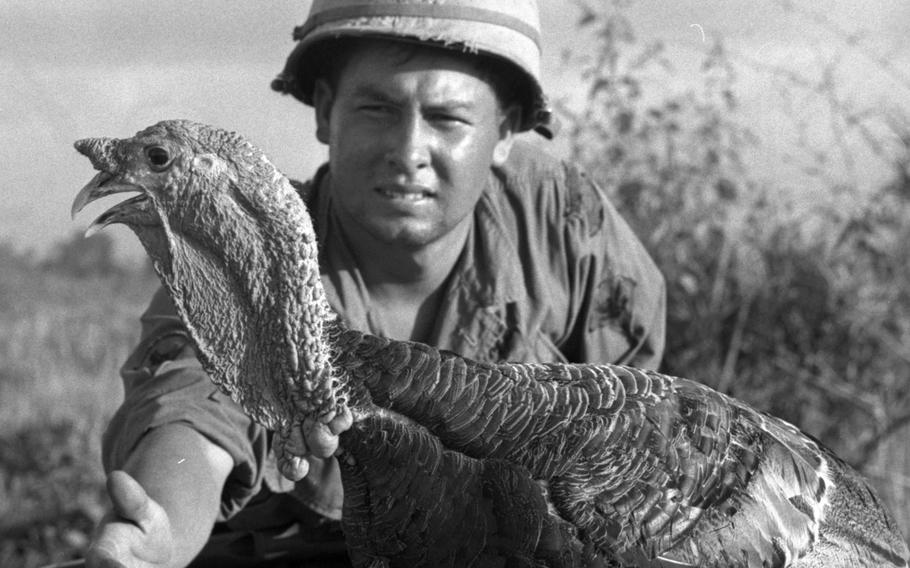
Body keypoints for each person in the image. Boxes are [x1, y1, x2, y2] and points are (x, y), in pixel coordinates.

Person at [86, 1, 666, 567]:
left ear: (507, 130)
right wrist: (158, 534)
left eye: (448, 118)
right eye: (376, 109)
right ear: (323, 110)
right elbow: (192, 418)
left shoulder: (561, 223)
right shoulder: (246, 254)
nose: (407, 151)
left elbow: (639, 428)